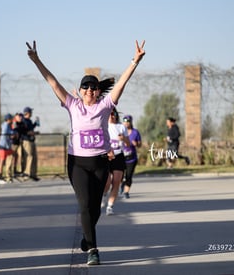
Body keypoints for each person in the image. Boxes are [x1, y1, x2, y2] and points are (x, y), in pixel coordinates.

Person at [26, 39, 145, 265]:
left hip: (101, 163)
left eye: (94, 87)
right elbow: (52, 83)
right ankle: (93, 249)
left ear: (99, 91)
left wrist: (135, 61)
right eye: (86, 87)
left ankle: (87, 235)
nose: (90, 90)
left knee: (94, 208)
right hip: (77, 164)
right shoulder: (72, 105)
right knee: (84, 204)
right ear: (80, 91)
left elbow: (122, 83)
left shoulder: (105, 105)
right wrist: (37, 60)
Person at [102, 108, 129, 215]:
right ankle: (103, 194)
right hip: (106, 157)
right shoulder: (103, 125)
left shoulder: (121, 127)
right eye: (110, 114)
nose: (113, 116)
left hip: (118, 156)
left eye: (115, 114)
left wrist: (124, 139)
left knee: (116, 182)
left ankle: (110, 206)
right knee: (107, 182)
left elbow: (128, 144)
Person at [121, 114, 142, 199]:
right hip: (121, 157)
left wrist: (136, 144)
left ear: (131, 122)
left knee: (128, 175)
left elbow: (139, 144)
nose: (126, 123)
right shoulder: (120, 131)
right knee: (120, 175)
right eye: (125, 121)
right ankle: (122, 183)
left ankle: (126, 192)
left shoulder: (135, 132)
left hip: (131, 158)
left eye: (128, 122)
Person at [21, 106, 40, 181]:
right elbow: (27, 132)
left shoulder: (29, 121)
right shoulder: (24, 121)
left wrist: (36, 123)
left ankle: (33, 174)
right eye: (30, 112)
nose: (31, 113)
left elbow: (31, 128)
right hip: (27, 141)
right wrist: (34, 132)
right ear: (27, 113)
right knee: (29, 157)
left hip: (32, 141)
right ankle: (27, 174)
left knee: (34, 157)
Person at [0, 113, 17, 183]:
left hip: (8, 146)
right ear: (8, 119)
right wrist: (13, 133)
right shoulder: (5, 125)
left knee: (11, 158)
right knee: (2, 161)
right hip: (3, 146)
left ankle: (8, 175)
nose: (12, 120)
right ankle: (0, 176)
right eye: (11, 119)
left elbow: (11, 134)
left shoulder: (8, 125)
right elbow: (6, 134)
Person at [12, 112, 26, 177]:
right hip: (14, 143)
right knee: (14, 157)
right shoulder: (14, 123)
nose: (20, 118)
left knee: (21, 157)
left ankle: (21, 170)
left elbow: (24, 131)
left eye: (21, 116)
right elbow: (14, 130)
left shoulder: (22, 123)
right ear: (15, 117)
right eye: (18, 116)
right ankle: (13, 170)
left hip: (20, 143)